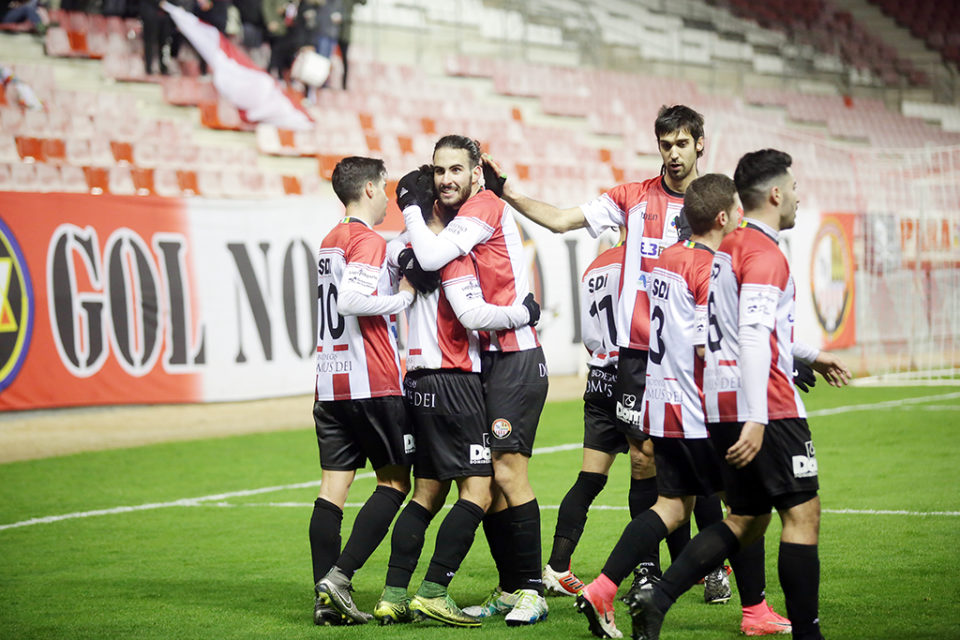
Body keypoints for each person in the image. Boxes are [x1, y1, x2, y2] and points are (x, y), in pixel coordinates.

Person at [483, 103, 705, 611]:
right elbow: (562, 220)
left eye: (682, 144)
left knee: (695, 467)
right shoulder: (632, 198)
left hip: (690, 356)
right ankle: (648, 572)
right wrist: (509, 192)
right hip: (637, 357)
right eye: (665, 144)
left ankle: (706, 567)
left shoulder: (715, 203)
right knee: (645, 459)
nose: (673, 154)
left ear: (699, 145)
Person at [625, 149, 852, 640]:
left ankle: (658, 600)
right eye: (792, 189)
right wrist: (756, 417)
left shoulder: (728, 251)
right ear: (774, 194)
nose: (796, 197)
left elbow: (733, 329)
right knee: (802, 513)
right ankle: (808, 632)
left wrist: (809, 355)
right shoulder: (766, 254)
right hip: (764, 402)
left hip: (719, 399)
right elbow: (751, 334)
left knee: (746, 518)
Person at [576, 174, 791, 639]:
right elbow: (703, 345)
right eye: (736, 210)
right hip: (701, 408)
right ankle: (753, 610)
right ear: (722, 217)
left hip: (662, 402)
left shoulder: (666, 259)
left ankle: (602, 589)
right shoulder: (709, 269)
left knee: (671, 508)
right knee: (748, 509)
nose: (741, 217)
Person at [398, 135, 551, 626]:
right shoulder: (466, 211)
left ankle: (532, 590)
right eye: (439, 170)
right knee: (488, 482)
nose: (446, 179)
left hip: (514, 357)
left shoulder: (485, 204)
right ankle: (510, 589)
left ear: (476, 171)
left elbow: (431, 254)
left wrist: (408, 210)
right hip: (485, 361)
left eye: (456, 170)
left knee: (507, 474)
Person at [311, 156, 416, 626]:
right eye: (386, 187)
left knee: (333, 488)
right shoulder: (365, 239)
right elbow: (353, 301)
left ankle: (324, 599)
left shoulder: (329, 240)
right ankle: (340, 577)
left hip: (330, 381)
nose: (389, 196)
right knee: (396, 482)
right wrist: (404, 300)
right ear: (371, 189)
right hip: (372, 381)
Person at [542, 228, 661, 599]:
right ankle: (648, 571)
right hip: (633, 375)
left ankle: (557, 566)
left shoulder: (594, 266)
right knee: (646, 472)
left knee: (590, 478)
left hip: (598, 378)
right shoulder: (642, 263)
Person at [337, 0, 364, 89]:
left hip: (344, 34)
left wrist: (342, 17)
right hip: (332, 33)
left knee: (344, 60)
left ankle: (344, 84)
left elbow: (363, 2)